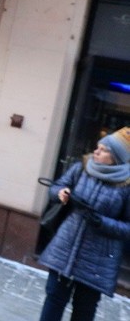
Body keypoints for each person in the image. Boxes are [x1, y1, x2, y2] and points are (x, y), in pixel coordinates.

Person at [37, 127, 130, 321]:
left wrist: (101, 222)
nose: (96, 152)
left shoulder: (126, 185)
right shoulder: (82, 167)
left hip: (97, 261)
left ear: (117, 158)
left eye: (104, 150)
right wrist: (60, 193)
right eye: (98, 147)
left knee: (84, 311)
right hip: (66, 247)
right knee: (53, 299)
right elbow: (56, 187)